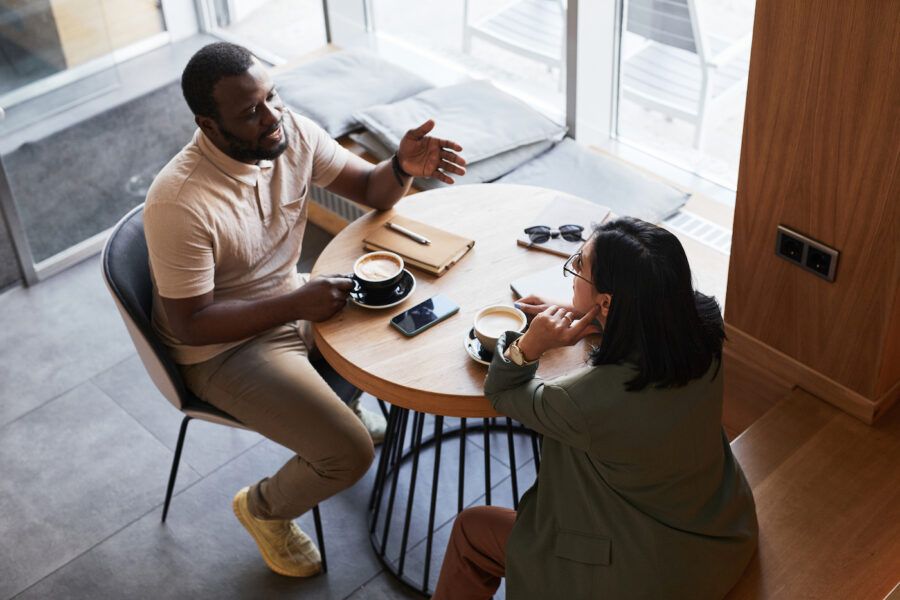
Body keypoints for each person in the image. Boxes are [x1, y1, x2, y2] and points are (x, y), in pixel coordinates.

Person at [143, 42, 465, 578]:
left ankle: (339, 396)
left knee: (396, 325)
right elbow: (189, 321)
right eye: (250, 112)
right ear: (208, 122)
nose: (272, 118)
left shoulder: (288, 131)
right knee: (350, 454)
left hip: (291, 299)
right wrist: (297, 302)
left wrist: (401, 166)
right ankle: (263, 508)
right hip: (222, 346)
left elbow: (368, 188)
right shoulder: (179, 202)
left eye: (273, 97)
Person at [433, 217, 758, 599]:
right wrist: (591, 317)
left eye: (580, 265)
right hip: (719, 533)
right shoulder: (702, 325)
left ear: (607, 301)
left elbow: (502, 392)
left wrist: (529, 346)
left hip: (644, 577)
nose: (573, 273)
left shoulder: (581, 400)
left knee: (472, 529)